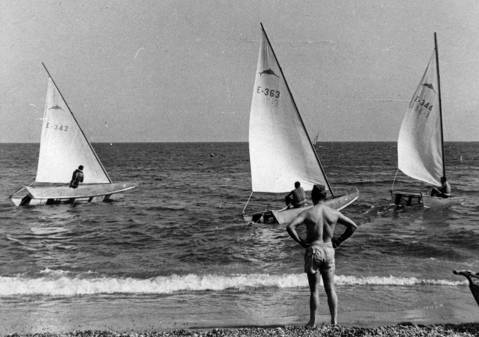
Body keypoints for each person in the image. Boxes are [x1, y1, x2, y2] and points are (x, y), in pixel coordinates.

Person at [286, 184, 358, 327]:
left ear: (312, 197)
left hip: (314, 250)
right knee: (330, 288)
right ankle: (334, 322)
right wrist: (339, 240)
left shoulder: (308, 212)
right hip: (329, 250)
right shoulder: (334, 213)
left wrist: (301, 242)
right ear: (325, 196)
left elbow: (290, 227)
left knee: (314, 290)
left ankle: (312, 322)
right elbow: (353, 226)